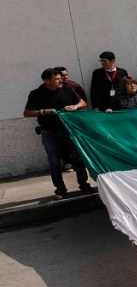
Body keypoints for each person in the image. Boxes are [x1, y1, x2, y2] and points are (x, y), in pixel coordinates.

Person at [23, 68, 93, 200]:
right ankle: (60, 189)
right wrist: (43, 112)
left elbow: (82, 102)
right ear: (47, 81)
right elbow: (27, 113)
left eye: (60, 77)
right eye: (56, 79)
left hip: (69, 130)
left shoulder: (67, 89)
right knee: (54, 161)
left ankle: (84, 185)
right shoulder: (36, 94)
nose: (60, 80)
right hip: (49, 132)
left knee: (77, 159)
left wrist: (75, 107)